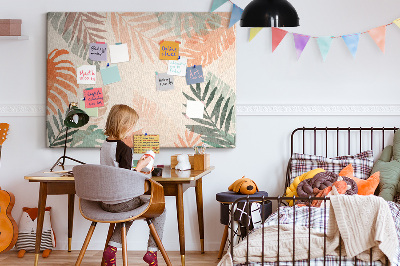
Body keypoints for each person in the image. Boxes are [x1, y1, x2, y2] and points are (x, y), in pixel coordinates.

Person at [100, 104, 166, 266]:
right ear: (124, 126)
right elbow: (127, 180)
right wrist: (139, 168)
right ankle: (152, 252)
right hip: (120, 202)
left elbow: (117, 171)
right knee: (160, 209)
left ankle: (112, 248)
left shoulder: (105, 144)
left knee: (129, 210)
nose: (132, 130)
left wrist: (133, 169)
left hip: (105, 202)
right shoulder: (124, 149)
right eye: (132, 126)